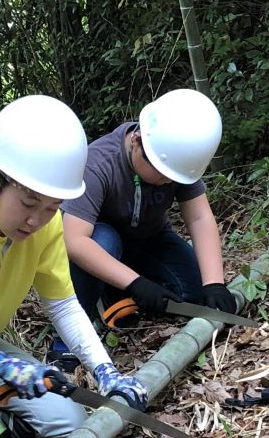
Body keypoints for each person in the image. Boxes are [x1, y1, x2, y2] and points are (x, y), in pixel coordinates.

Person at [0, 95, 152, 438]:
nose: (36, 220)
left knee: (68, 426)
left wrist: (106, 371)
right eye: (27, 203)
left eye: (51, 207)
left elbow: (64, 305)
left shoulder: (46, 226)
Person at [63, 87, 241, 326]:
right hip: (100, 245)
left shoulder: (176, 157)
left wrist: (214, 284)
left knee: (189, 296)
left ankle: (125, 293)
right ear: (137, 143)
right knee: (105, 240)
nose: (167, 181)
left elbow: (199, 218)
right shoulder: (98, 165)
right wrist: (135, 283)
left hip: (150, 240)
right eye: (162, 173)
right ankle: (74, 328)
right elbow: (74, 240)